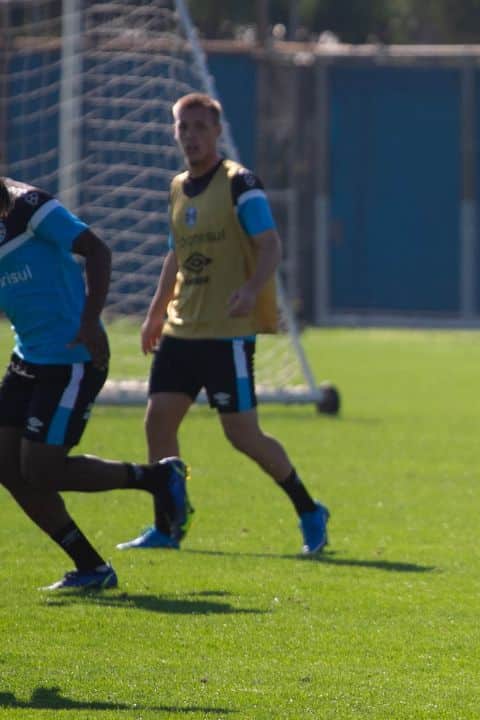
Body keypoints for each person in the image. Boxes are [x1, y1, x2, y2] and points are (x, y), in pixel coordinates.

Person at [116, 92, 328, 554]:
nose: (190, 136)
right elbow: (175, 255)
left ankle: (309, 509)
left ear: (216, 132)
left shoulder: (239, 184)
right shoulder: (176, 187)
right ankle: (167, 525)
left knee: (242, 435)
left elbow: (270, 245)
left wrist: (251, 291)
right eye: (183, 127)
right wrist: (155, 312)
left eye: (199, 127)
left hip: (226, 335)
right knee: (158, 423)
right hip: (181, 328)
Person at [0, 176, 189, 590]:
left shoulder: (30, 205)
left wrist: (89, 322)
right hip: (26, 358)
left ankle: (157, 479)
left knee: (39, 469)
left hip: (72, 358)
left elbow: (97, 249)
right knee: (7, 465)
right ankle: (91, 567)